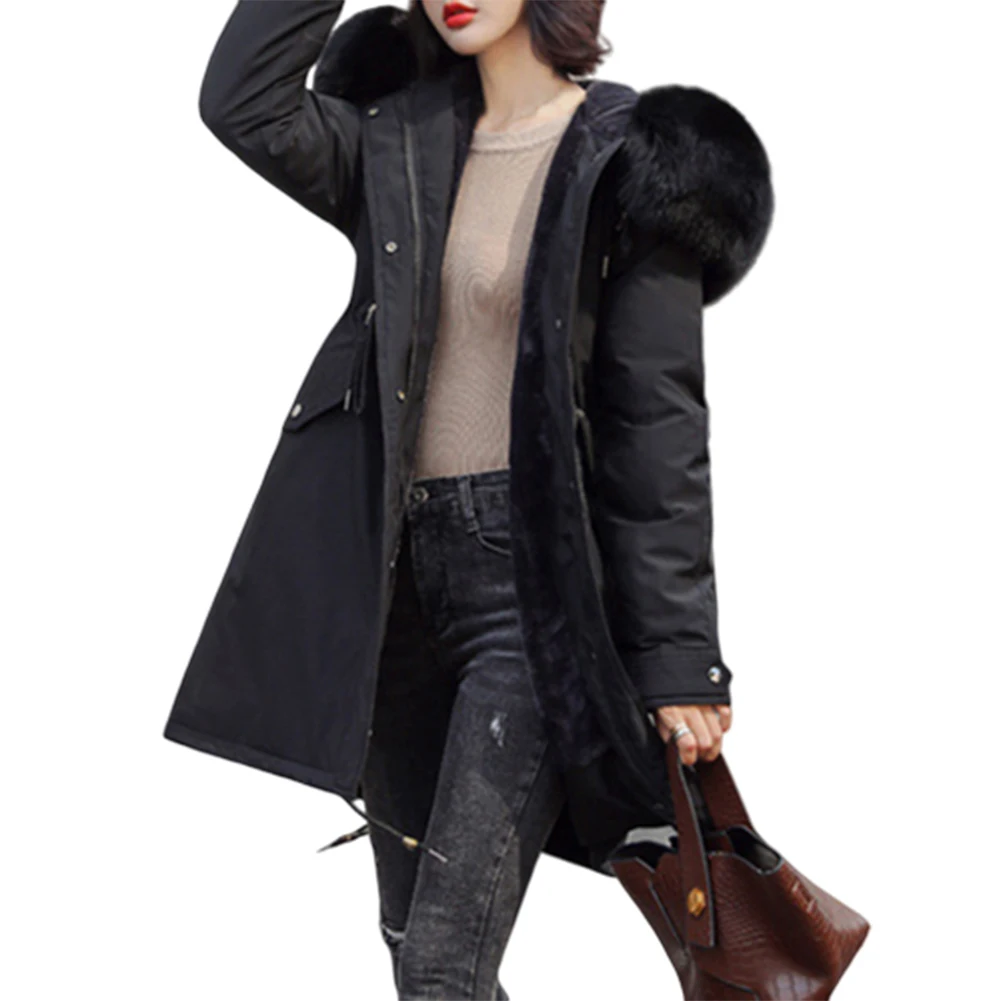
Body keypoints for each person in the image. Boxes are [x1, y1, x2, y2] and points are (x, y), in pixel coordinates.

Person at [162, 2, 774, 998]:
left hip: (529, 595)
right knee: (415, 945)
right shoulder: (397, 139)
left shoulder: (632, 158)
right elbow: (243, 103)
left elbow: (654, 423)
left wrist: (678, 656)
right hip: (394, 587)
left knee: (444, 963)